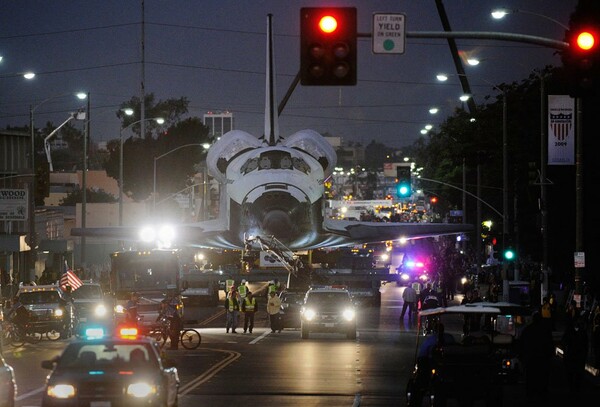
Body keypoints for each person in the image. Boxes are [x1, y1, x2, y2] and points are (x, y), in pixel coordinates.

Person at [519, 311, 554, 401]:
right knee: (542, 378)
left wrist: (522, 357)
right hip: (542, 359)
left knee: (530, 378)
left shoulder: (527, 330)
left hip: (531, 359)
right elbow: (550, 345)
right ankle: (541, 393)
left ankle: (531, 394)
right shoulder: (545, 330)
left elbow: (521, 344)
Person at [562, 316, 588, 396]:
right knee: (577, 374)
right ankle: (576, 389)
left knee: (572, 373)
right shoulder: (582, 332)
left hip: (572, 355)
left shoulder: (570, 331)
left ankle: (573, 389)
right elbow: (586, 345)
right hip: (578, 355)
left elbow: (564, 342)